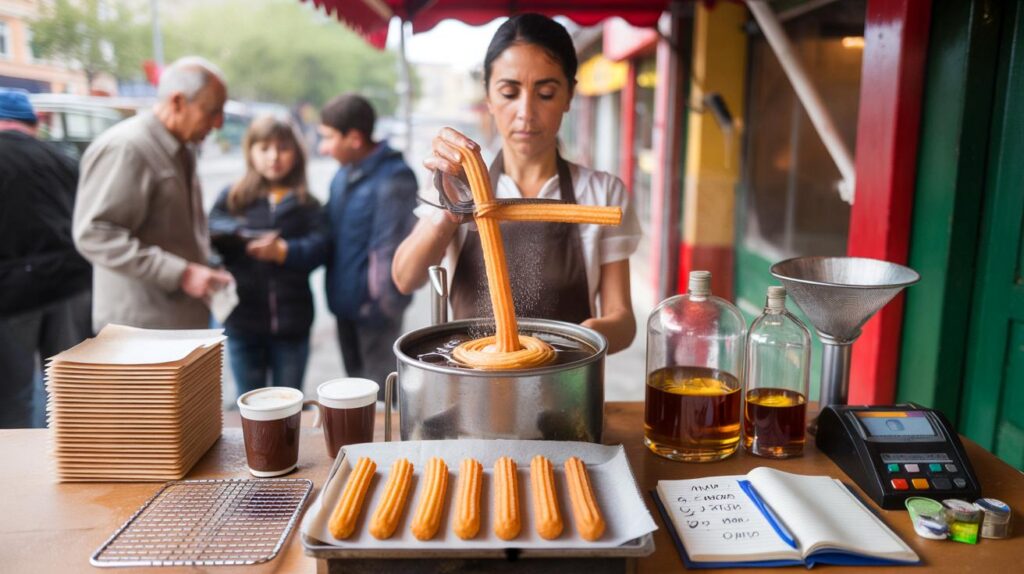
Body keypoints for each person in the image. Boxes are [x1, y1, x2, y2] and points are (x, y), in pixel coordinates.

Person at [391, 14, 641, 354]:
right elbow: (405, 278)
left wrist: (587, 338)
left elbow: (622, 319)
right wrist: (450, 210)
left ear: (569, 95)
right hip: (470, 378)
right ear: (489, 97)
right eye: (509, 92)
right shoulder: (457, 182)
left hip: (565, 377)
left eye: (546, 93)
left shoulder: (601, 193)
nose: (526, 112)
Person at [250, 94, 418, 397]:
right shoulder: (343, 174)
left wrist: (381, 305)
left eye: (328, 138)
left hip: (376, 314)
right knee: (357, 392)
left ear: (354, 138)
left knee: (381, 398)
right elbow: (327, 233)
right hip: (345, 307)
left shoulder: (395, 179)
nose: (323, 148)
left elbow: (391, 252)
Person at [74, 56, 233, 331]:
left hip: (176, 321)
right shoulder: (127, 148)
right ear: (177, 102)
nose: (218, 123)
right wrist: (181, 273)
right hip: (141, 329)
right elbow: (94, 234)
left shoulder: (184, 147)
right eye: (211, 111)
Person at [209, 116, 323, 395]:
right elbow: (209, 230)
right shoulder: (233, 197)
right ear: (250, 151)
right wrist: (242, 235)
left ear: (296, 153)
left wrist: (284, 252)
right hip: (241, 321)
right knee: (249, 400)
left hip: (293, 324)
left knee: (287, 401)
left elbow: (321, 247)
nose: (274, 157)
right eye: (264, 148)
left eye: (283, 148)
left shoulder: (307, 203)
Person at [0, 89, 92, 428]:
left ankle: (19, 460)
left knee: (14, 398)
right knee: (70, 388)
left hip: (12, 292)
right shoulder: (64, 159)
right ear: (33, 124)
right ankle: (77, 453)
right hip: (72, 283)